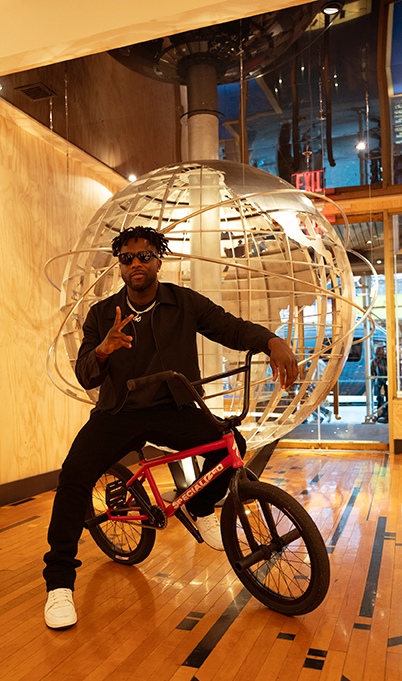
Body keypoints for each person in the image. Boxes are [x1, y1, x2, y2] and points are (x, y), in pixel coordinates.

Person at [43, 226, 298, 629]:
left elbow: (229, 327)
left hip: (173, 407)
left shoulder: (183, 302)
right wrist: (103, 350)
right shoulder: (101, 314)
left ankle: (200, 507)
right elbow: (87, 375)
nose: (136, 263)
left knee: (230, 444)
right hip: (119, 411)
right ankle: (59, 583)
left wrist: (270, 341)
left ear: (158, 260)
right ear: (120, 266)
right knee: (73, 477)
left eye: (144, 256)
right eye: (127, 258)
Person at [371, 345, 388, 423]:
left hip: (386, 381)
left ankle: (386, 415)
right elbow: (373, 371)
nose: (384, 351)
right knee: (380, 399)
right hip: (380, 382)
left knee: (387, 398)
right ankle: (380, 415)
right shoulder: (375, 360)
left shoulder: (386, 359)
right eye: (382, 350)